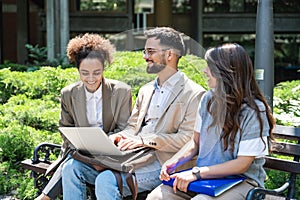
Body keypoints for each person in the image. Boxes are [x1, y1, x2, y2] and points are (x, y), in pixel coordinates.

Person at [61, 27, 206, 199]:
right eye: (145, 51)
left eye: (150, 51)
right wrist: (119, 137)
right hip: (133, 157)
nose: (145, 57)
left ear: (170, 55)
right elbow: (132, 127)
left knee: (106, 180)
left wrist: (145, 141)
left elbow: (188, 140)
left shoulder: (194, 94)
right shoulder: (146, 90)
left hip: (164, 161)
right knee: (71, 168)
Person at [147, 43, 276, 200]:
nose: (205, 71)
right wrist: (174, 162)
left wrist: (196, 173)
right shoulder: (208, 99)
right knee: (157, 197)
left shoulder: (254, 111)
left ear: (226, 72)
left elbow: (242, 164)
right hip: (206, 180)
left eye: (210, 67)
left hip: (242, 182)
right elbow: (195, 143)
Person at [35, 33, 132, 200]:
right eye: (84, 73)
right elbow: (66, 129)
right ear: (77, 69)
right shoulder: (69, 93)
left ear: (104, 68)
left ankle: (45, 196)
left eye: (97, 72)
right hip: (81, 155)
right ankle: (46, 196)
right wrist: (85, 149)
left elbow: (125, 129)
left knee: (78, 170)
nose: (91, 79)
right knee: (70, 168)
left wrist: (102, 148)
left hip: (111, 159)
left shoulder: (121, 91)